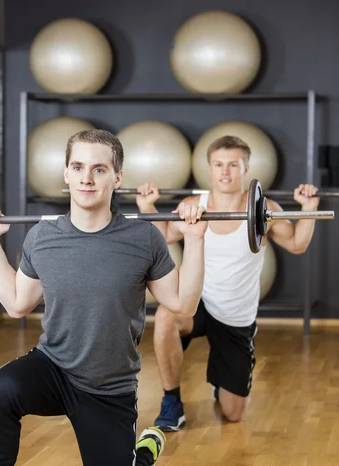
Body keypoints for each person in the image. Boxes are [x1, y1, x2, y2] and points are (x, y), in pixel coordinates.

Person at [0, 129, 208, 466]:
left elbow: (182, 305)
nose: (87, 178)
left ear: (117, 178)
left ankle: (143, 454)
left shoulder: (143, 238)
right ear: (66, 176)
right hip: (54, 368)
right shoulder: (43, 237)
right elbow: (18, 303)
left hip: (108, 388)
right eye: (78, 168)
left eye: (99, 169)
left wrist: (197, 241)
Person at [136, 135, 320, 430]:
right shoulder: (194, 204)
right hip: (199, 303)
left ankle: (222, 385)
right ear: (209, 168)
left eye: (233, 165)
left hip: (236, 316)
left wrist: (309, 208)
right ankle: (172, 400)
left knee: (233, 413)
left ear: (246, 168)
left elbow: (297, 244)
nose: (225, 172)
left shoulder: (264, 208)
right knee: (166, 315)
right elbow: (166, 236)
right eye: (219, 164)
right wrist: (147, 206)